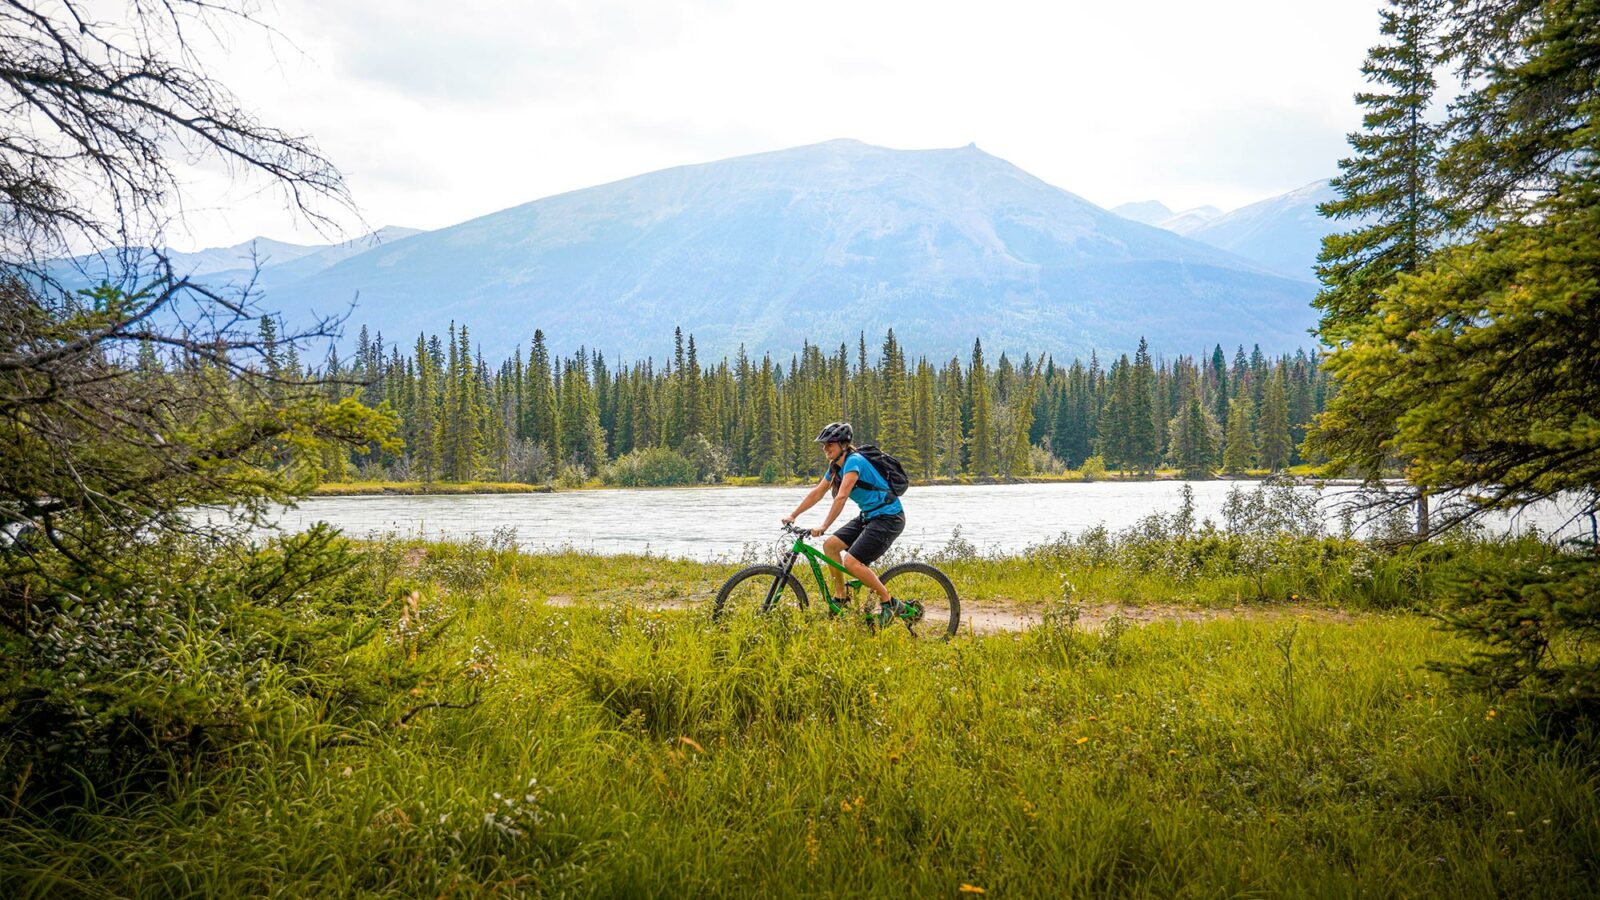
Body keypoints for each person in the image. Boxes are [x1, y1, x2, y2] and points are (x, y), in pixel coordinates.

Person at [781, 421, 912, 624]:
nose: (825, 448)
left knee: (851, 562)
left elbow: (841, 497)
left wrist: (824, 526)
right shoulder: (835, 467)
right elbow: (817, 493)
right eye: (823, 445)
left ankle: (890, 603)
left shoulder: (853, 462)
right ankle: (841, 597)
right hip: (869, 515)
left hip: (888, 517)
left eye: (829, 444)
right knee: (830, 546)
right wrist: (793, 515)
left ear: (843, 444)